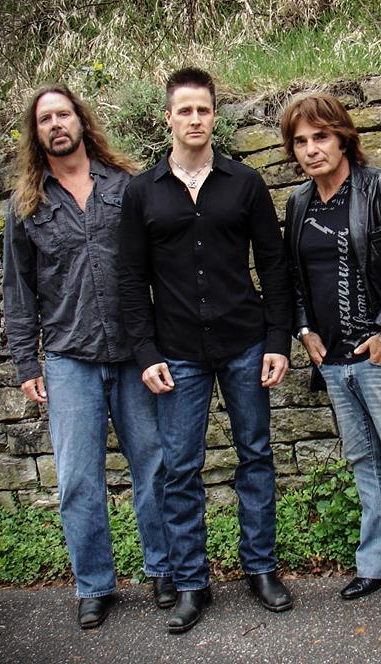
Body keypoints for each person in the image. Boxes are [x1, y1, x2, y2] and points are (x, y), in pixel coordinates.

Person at [119, 67, 294, 634]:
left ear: (215, 116)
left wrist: (277, 340)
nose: (195, 119)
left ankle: (260, 568)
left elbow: (274, 264)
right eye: (185, 110)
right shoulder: (142, 192)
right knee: (179, 469)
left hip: (244, 342)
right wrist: (145, 352)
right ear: (167, 118)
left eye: (204, 109)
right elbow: (130, 279)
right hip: (177, 352)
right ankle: (192, 582)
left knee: (255, 456)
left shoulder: (244, 183)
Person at [2, 83, 174, 630]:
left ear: (81, 120)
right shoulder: (26, 205)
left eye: (63, 114)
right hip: (68, 357)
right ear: (36, 134)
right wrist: (26, 363)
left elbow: (159, 267)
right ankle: (95, 585)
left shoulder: (126, 186)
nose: (56, 125)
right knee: (78, 479)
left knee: (154, 466)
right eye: (45, 119)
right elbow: (18, 290)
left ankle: (164, 569)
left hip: (134, 354)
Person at [280, 93, 381, 617]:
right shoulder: (299, 204)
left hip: (379, 356)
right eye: (300, 141)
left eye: (321, 136)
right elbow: (294, 278)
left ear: (343, 137)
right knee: (364, 461)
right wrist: (303, 329)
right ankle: (378, 562)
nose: (311, 149)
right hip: (332, 360)